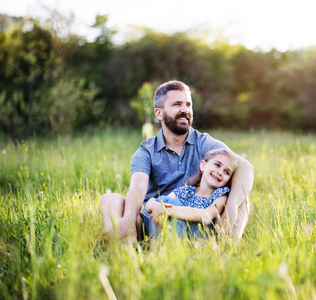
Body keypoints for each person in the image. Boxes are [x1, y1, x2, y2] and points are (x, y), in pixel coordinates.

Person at [100, 80, 254, 244]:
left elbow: (245, 166)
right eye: (177, 104)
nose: (185, 110)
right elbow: (137, 187)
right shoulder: (146, 150)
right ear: (159, 113)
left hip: (196, 221)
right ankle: (126, 250)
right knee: (110, 199)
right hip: (154, 218)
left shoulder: (204, 143)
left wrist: (231, 207)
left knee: (240, 198)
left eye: (188, 105)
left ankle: (228, 248)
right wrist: (130, 218)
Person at [141, 148, 237, 241]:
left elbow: (207, 214)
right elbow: (153, 205)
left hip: (199, 237)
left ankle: (172, 250)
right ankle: (155, 250)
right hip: (178, 232)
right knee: (162, 201)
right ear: (203, 165)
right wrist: (154, 205)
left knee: (172, 203)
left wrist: (168, 210)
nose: (220, 172)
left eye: (226, 172)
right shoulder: (187, 190)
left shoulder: (220, 195)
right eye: (217, 165)